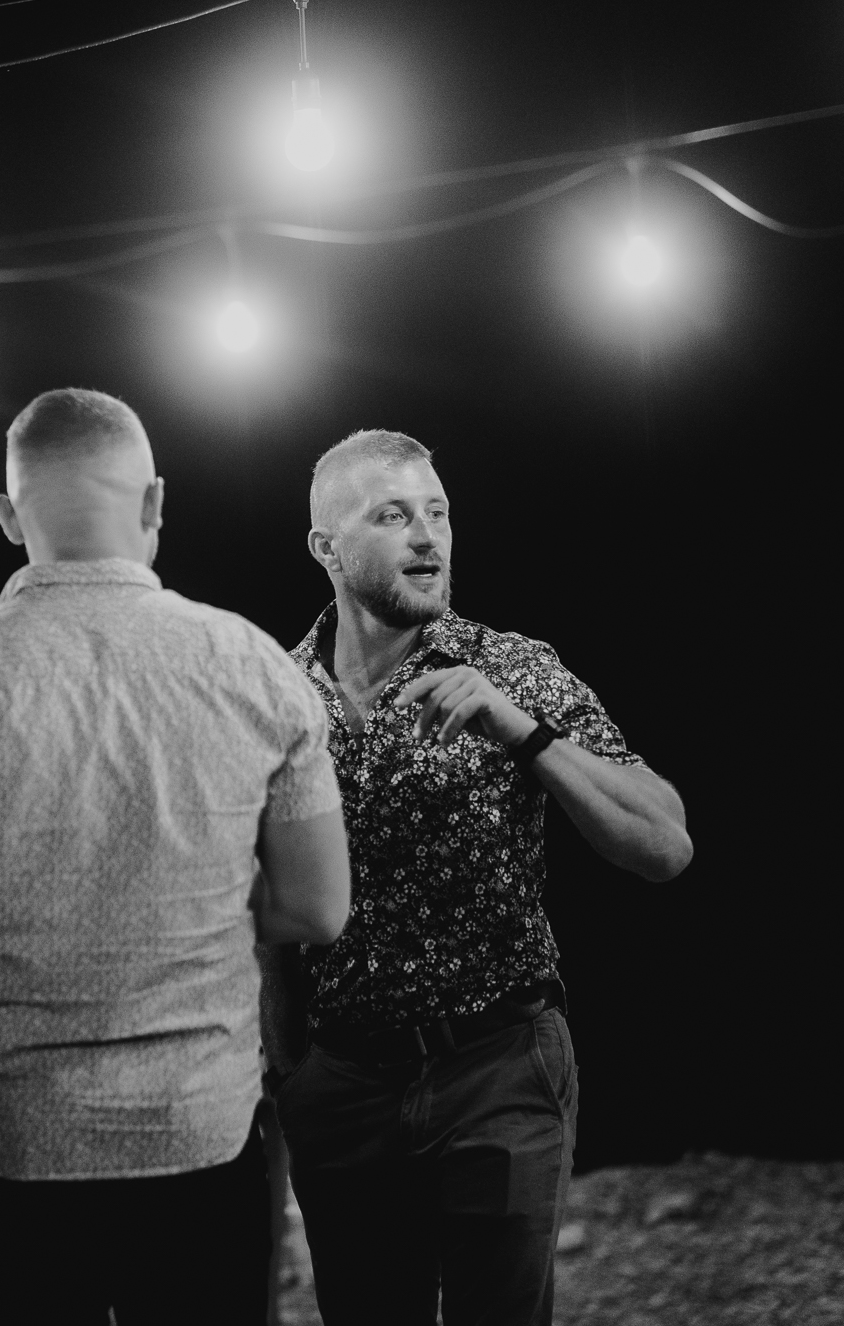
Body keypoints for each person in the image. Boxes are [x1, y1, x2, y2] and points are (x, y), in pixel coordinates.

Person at [0, 388, 353, 1325]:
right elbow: (319, 906)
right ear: (154, 502)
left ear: (8, 515)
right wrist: (192, 895)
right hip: (199, 1128)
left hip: (9, 1139)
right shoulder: (255, 666)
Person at [266, 429, 694, 1326]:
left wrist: (521, 730)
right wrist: (291, 1070)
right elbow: (253, 893)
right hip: (343, 1086)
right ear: (326, 548)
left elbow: (664, 843)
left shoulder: (510, 668)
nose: (428, 535)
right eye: (393, 515)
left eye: (438, 511)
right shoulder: (273, 696)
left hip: (496, 1066)